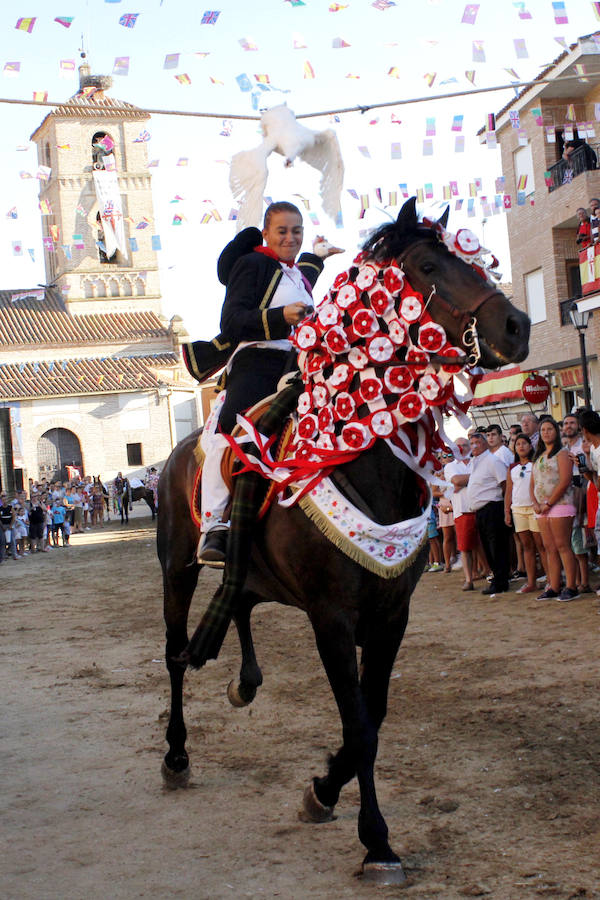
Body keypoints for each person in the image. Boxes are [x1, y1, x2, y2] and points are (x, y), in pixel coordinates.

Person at [196, 201, 342, 566]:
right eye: (282, 231)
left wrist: (319, 255)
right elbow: (232, 321)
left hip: (301, 361)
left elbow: (305, 275)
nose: (290, 238)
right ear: (266, 233)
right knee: (229, 434)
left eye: (297, 231)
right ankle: (214, 526)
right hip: (258, 360)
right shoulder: (252, 265)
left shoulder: (294, 274)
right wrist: (280, 317)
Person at [531, 418, 579, 601]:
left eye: (549, 429)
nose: (546, 433)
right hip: (542, 507)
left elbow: (565, 480)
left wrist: (549, 503)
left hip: (559, 504)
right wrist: (535, 502)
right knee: (549, 547)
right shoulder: (540, 456)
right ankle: (554, 585)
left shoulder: (562, 453)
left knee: (563, 545)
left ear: (556, 432)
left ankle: (572, 586)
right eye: (543, 430)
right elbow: (532, 483)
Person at [464, 432, 511, 595]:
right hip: (480, 510)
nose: (475, 446)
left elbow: (504, 483)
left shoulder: (493, 460)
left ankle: (501, 580)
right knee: (487, 546)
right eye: (472, 443)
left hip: (492, 507)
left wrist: (505, 507)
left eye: (477, 442)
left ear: (485, 444)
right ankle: (497, 578)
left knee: (496, 546)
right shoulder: (474, 462)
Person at [504, 434, 547, 594]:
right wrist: (507, 511)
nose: (521, 446)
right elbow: (509, 490)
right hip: (518, 509)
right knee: (527, 546)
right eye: (518, 444)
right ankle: (531, 582)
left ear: (530, 446)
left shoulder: (535, 464)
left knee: (541, 546)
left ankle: (550, 578)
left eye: (524, 443)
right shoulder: (512, 467)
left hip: (533, 508)